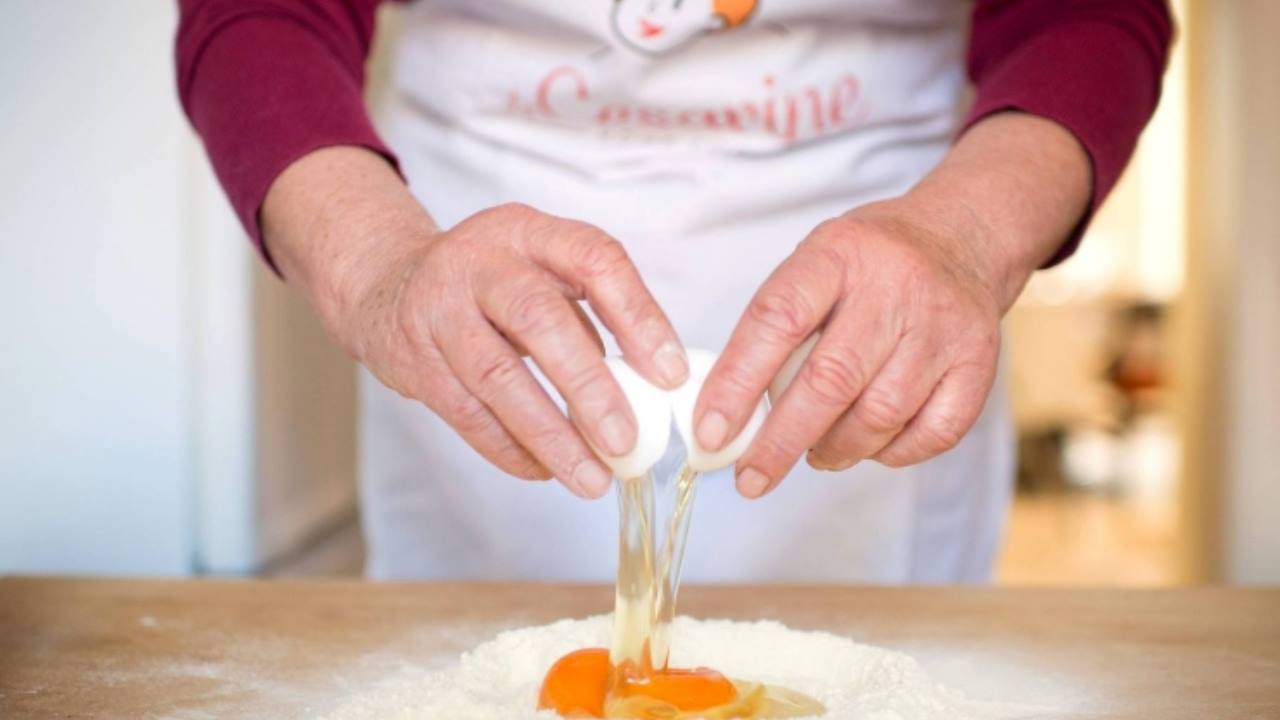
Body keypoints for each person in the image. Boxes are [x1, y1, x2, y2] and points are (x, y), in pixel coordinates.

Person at [176, 0, 1172, 582]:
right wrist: (381, 268)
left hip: (884, 256)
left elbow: (1086, 15)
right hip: (475, 264)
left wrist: (966, 236)